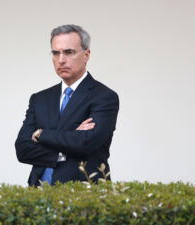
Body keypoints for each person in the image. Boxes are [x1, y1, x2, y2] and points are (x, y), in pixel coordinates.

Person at [15, 24, 119, 186]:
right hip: (38, 195)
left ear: (86, 54)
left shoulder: (104, 97)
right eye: (56, 53)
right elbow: (22, 149)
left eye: (69, 52)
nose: (61, 60)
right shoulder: (40, 99)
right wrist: (69, 139)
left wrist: (41, 134)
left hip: (83, 194)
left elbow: (85, 143)